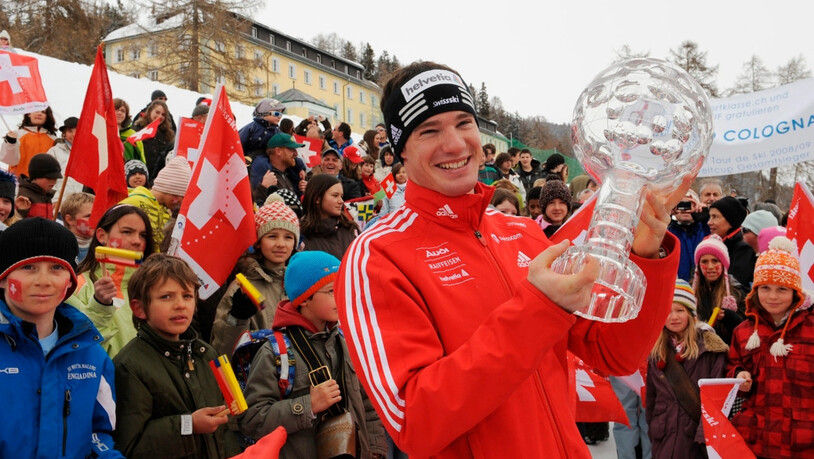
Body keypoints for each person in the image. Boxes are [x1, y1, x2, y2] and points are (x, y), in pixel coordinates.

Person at [336, 61, 685, 458]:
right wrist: (536, 310)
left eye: (463, 122)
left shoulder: (521, 232)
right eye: (429, 130)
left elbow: (614, 354)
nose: (454, 144)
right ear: (401, 150)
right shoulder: (377, 255)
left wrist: (646, 255)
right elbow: (413, 420)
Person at [239, 251, 387, 458]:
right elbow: (252, 420)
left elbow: (368, 405)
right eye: (330, 291)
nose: (340, 296)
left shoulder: (347, 340)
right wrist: (308, 405)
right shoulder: (275, 352)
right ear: (304, 299)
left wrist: (377, 451)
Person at [0, 218, 123, 458]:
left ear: (70, 281)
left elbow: (100, 434)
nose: (44, 281)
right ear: (3, 278)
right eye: (29, 267)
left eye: (56, 268)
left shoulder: (91, 353)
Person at [114, 253, 240, 458]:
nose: (180, 304)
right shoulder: (129, 366)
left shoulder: (206, 353)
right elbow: (131, 446)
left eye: (187, 296)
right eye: (166, 296)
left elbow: (224, 430)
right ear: (139, 308)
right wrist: (188, 425)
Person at [727, 236, 814, 459]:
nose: (772, 296)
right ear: (755, 289)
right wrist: (739, 375)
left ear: (795, 291)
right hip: (758, 440)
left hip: (804, 443)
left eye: (782, 289)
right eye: (765, 288)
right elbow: (731, 366)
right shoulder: (744, 331)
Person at [646, 279, 728, 458]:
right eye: (667, 311)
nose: (673, 316)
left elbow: (715, 400)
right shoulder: (656, 351)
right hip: (664, 438)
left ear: (691, 314)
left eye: (680, 310)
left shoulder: (710, 349)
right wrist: (654, 429)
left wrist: (704, 437)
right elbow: (651, 399)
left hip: (695, 441)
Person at [211, 195, 300, 356]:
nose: (281, 244)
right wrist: (237, 319)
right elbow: (222, 351)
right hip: (259, 377)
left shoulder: (300, 283)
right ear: (258, 242)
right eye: (272, 236)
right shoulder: (242, 288)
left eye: (288, 237)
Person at [67, 205, 156, 357]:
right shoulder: (76, 286)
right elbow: (79, 347)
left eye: (143, 235)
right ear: (102, 236)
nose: (137, 241)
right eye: (127, 232)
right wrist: (99, 305)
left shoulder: (154, 288)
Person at [120, 155, 191, 250]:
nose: (181, 203)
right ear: (173, 192)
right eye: (182, 197)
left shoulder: (166, 211)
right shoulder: (133, 203)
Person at [692, 235, 745, 344]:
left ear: (723, 264)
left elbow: (745, 333)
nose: (710, 266)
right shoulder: (690, 293)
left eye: (715, 261)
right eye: (704, 261)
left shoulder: (737, 293)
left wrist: (731, 318)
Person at [300, 174, 358, 260]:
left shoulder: (351, 229)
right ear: (317, 198)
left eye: (341, 196)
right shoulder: (301, 234)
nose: (341, 201)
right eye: (335, 195)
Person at [708, 196, 755, 289]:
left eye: (715, 217)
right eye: (710, 217)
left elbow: (735, 286)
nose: (709, 222)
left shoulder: (743, 249)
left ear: (730, 221)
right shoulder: (714, 244)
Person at [249, 133, 305, 206]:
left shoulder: (291, 175)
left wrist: (306, 193)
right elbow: (253, 206)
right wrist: (263, 188)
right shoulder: (265, 177)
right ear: (278, 151)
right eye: (291, 149)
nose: (296, 154)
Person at [1, 107, 58, 177]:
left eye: (43, 112)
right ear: (29, 114)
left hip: (45, 183)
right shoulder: (16, 135)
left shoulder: (54, 140)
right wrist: (11, 142)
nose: (39, 114)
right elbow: (8, 160)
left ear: (47, 117)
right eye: (36, 111)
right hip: (20, 182)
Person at [668, 192, 710, 282]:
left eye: (689, 204)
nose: (685, 209)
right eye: (681, 204)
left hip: (703, 287)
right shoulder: (668, 233)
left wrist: (706, 216)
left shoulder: (705, 229)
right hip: (677, 288)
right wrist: (666, 212)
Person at [134, 100, 175, 179]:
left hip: (157, 178)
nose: (160, 116)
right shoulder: (138, 130)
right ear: (150, 111)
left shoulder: (168, 134)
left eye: (163, 114)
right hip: (139, 176)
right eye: (157, 112)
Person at [14, 153, 60, 220]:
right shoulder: (24, 195)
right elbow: (17, 220)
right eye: (49, 178)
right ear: (36, 176)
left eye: (55, 178)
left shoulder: (48, 195)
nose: (53, 181)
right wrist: (22, 211)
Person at [47, 116, 83, 199]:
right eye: (70, 131)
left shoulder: (89, 152)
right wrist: (54, 198)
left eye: (77, 131)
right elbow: (48, 176)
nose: (74, 134)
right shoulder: (54, 151)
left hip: (83, 201)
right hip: (61, 201)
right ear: (64, 134)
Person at [59, 192, 95, 263]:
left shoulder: (101, 246)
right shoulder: (60, 248)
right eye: (88, 216)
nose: (95, 220)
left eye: (97, 214)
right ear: (69, 220)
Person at [115, 98, 147, 163]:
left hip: (128, 170)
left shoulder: (133, 134)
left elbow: (141, 157)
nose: (119, 112)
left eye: (123, 111)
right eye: (116, 109)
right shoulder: (102, 132)